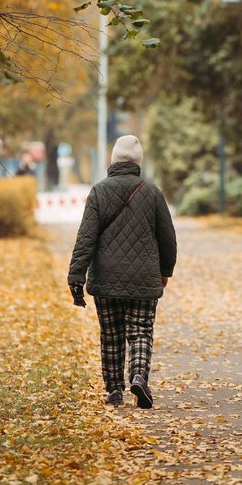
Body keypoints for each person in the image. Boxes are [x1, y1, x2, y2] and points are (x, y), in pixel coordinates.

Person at [68, 135, 177, 408]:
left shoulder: (99, 191)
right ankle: (139, 376)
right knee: (140, 331)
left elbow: (86, 238)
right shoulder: (152, 192)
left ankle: (114, 390)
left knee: (111, 334)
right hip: (144, 277)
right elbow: (167, 238)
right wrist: (165, 271)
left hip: (106, 279)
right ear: (138, 162)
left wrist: (76, 276)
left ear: (114, 159)